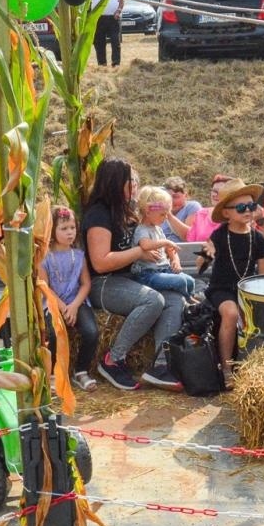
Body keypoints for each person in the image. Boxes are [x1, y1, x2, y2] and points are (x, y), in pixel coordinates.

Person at [82, 157, 185, 391]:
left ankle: (159, 365)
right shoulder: (99, 215)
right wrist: (139, 251)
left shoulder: (128, 211)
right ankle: (113, 359)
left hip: (133, 278)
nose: (135, 186)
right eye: (131, 182)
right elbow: (100, 263)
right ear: (114, 182)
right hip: (104, 283)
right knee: (153, 300)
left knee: (174, 300)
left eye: (136, 182)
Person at [200, 180, 264, 382]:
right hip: (221, 289)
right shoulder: (219, 235)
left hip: (247, 289)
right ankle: (226, 366)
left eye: (251, 206)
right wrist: (207, 255)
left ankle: (255, 364)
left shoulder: (257, 238)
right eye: (241, 207)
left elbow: (263, 271)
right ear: (227, 213)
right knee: (230, 313)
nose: (248, 211)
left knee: (263, 313)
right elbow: (200, 265)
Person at [43, 206, 98, 390]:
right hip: (53, 303)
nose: (69, 233)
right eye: (64, 229)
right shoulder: (45, 257)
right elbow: (44, 286)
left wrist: (74, 306)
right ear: (52, 230)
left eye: (72, 228)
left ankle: (80, 371)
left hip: (76, 301)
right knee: (52, 334)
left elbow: (86, 284)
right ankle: (52, 373)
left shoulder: (79, 255)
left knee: (91, 332)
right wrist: (62, 306)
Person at [129, 186, 198, 300]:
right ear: (148, 212)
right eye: (162, 214)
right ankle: (188, 300)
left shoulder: (158, 229)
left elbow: (169, 249)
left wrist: (175, 260)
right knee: (180, 281)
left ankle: (191, 296)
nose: (166, 217)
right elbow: (145, 245)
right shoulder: (141, 229)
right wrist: (166, 242)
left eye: (167, 214)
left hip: (164, 269)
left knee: (190, 281)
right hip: (148, 274)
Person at [91, 0, 123, 68]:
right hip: (99, 18)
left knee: (115, 41)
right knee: (99, 42)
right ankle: (102, 64)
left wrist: (118, 11)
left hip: (113, 17)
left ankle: (116, 63)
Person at [184, 176, 233, 242]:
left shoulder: (236, 216)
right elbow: (191, 243)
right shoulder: (201, 214)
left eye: (221, 191)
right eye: (214, 191)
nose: (215, 195)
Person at [162, 177, 201, 243]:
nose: (171, 201)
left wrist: (169, 215)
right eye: (167, 197)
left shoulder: (192, 207)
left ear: (185, 195)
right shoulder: (159, 211)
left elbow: (189, 237)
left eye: (175, 197)